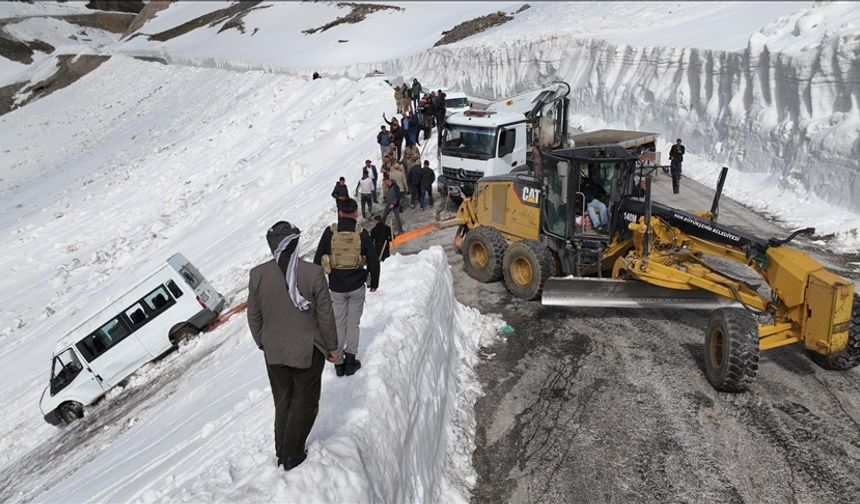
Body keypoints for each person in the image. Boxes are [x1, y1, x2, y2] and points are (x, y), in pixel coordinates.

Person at [247, 221, 339, 471]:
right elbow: (325, 316)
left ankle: (282, 451)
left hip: (274, 353)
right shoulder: (312, 273)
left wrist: (263, 342)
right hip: (308, 350)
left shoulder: (258, 274)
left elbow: (253, 316)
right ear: (295, 243)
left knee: (283, 402)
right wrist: (332, 347)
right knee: (305, 404)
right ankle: (293, 454)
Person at [313, 198, 380, 377]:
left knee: (339, 323)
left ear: (340, 213)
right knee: (353, 324)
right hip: (357, 285)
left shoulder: (330, 232)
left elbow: (317, 259)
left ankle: (339, 363)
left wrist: (318, 285)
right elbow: (373, 259)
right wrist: (374, 282)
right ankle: (351, 361)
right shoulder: (361, 233)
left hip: (336, 287)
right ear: (356, 214)